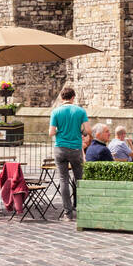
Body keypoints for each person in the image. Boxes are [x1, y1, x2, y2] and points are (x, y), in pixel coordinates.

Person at [48, 86, 88, 221]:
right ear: (73, 97)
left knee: (63, 180)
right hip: (76, 149)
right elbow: (87, 130)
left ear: (61, 97)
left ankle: (68, 214)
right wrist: (80, 131)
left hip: (60, 148)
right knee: (79, 179)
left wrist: (61, 131)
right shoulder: (80, 111)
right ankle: (82, 210)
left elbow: (51, 133)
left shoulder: (55, 112)